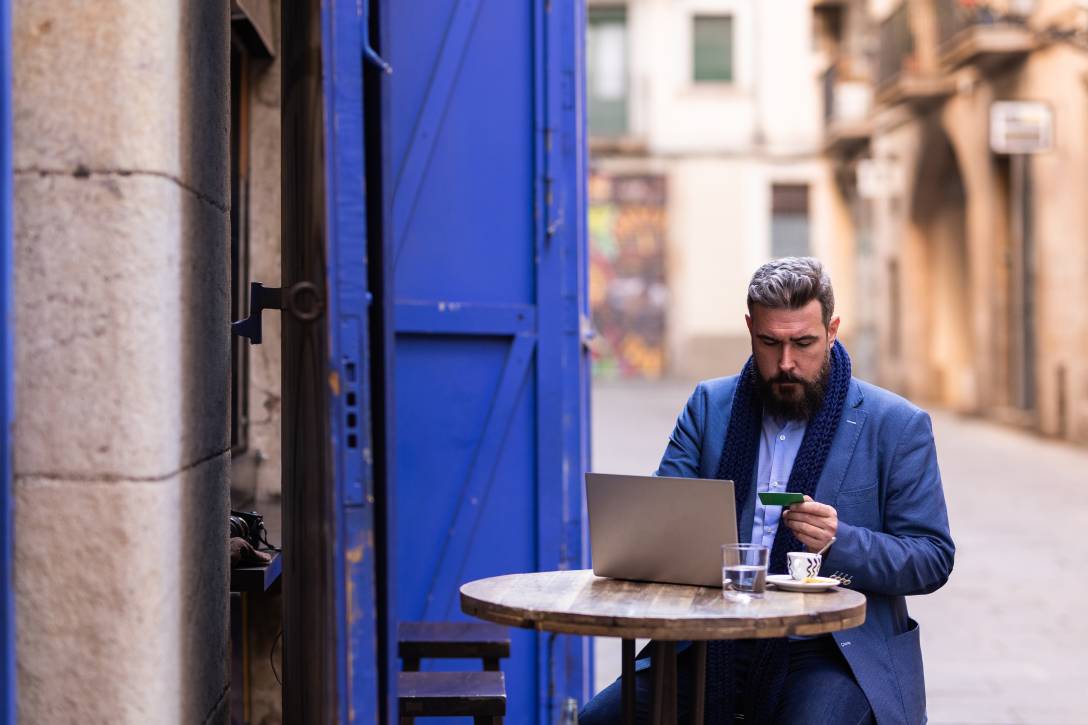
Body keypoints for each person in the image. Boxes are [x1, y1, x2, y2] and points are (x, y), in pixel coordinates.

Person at [581, 257, 955, 724]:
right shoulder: (708, 406)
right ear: (750, 330)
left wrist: (840, 541)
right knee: (597, 719)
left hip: (828, 651)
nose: (786, 363)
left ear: (832, 331)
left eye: (803, 343)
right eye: (770, 343)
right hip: (711, 640)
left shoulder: (895, 424)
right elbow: (658, 523)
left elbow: (932, 558)